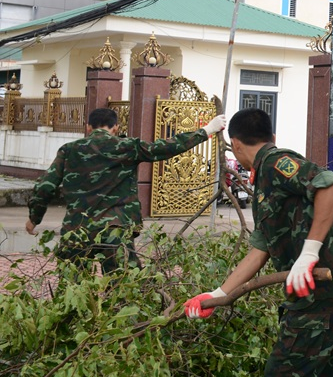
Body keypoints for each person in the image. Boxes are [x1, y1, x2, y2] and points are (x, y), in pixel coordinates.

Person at [184, 108, 333, 377]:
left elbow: (330, 185)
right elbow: (260, 250)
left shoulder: (275, 164)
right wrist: (219, 294)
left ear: (236, 144)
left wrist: (309, 253)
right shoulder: (264, 179)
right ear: (272, 135)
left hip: (322, 290)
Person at [25, 108, 225, 275]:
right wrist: (206, 130)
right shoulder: (127, 146)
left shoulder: (68, 150)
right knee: (122, 289)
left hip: (77, 230)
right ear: (115, 128)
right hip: (116, 229)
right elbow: (166, 147)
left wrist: (34, 218)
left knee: (72, 292)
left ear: (88, 127)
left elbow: (45, 187)